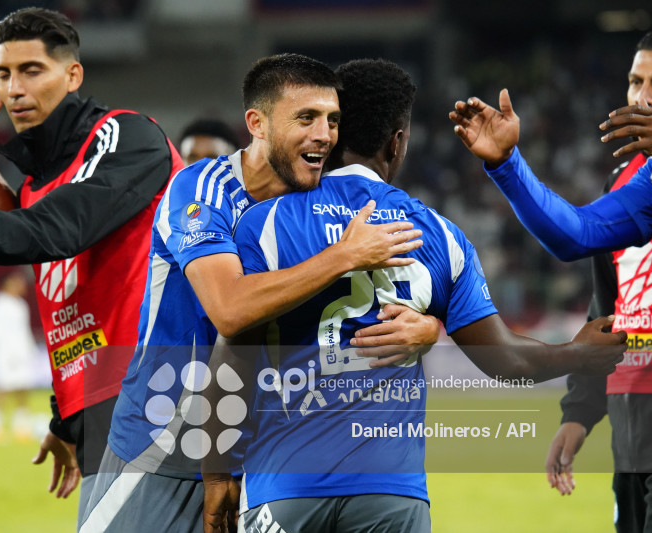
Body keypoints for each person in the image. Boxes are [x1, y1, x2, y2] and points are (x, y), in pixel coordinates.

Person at [201, 58, 629, 533]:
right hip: (392, 494)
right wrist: (576, 353)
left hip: (284, 488)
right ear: (398, 141)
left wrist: (218, 469)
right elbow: (507, 361)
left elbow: (233, 349)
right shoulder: (439, 234)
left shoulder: (266, 224)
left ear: (333, 132)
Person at [80, 53, 436, 533]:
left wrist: (429, 327)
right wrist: (344, 255)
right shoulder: (203, 189)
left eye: (333, 121)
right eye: (306, 118)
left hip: (253, 455)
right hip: (162, 439)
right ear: (257, 123)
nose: (324, 135)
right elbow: (230, 310)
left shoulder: (312, 207)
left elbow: (352, 309)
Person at [0, 7, 184, 519]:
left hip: (156, 388)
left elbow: (57, 230)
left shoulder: (123, 135)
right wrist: (64, 413)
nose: (14, 89)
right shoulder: (37, 178)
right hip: (99, 399)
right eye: (4, 74)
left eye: (31, 70)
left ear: (73, 74)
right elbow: (33, 253)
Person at [449, 29, 652, 532]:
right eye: (635, 81)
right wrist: (506, 165)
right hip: (643, 414)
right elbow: (578, 235)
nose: (643, 98)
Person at [541, 29, 652, 533]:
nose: (643, 98)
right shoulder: (627, 182)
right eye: (635, 81)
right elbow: (607, 307)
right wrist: (580, 411)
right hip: (631, 419)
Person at [0, 268, 37, 443]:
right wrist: (3, 353)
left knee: (23, 389)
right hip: (4, 355)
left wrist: (30, 350)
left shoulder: (21, 304)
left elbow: (25, 332)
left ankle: (21, 425)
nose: (22, 285)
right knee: (3, 389)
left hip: (21, 355)